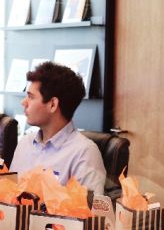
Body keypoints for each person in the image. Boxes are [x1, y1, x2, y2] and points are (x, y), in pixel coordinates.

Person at [9, 61, 106, 195]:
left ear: (52, 105)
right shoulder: (25, 143)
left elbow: (90, 213)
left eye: (31, 97)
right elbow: (8, 197)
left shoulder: (84, 153)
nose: (23, 102)